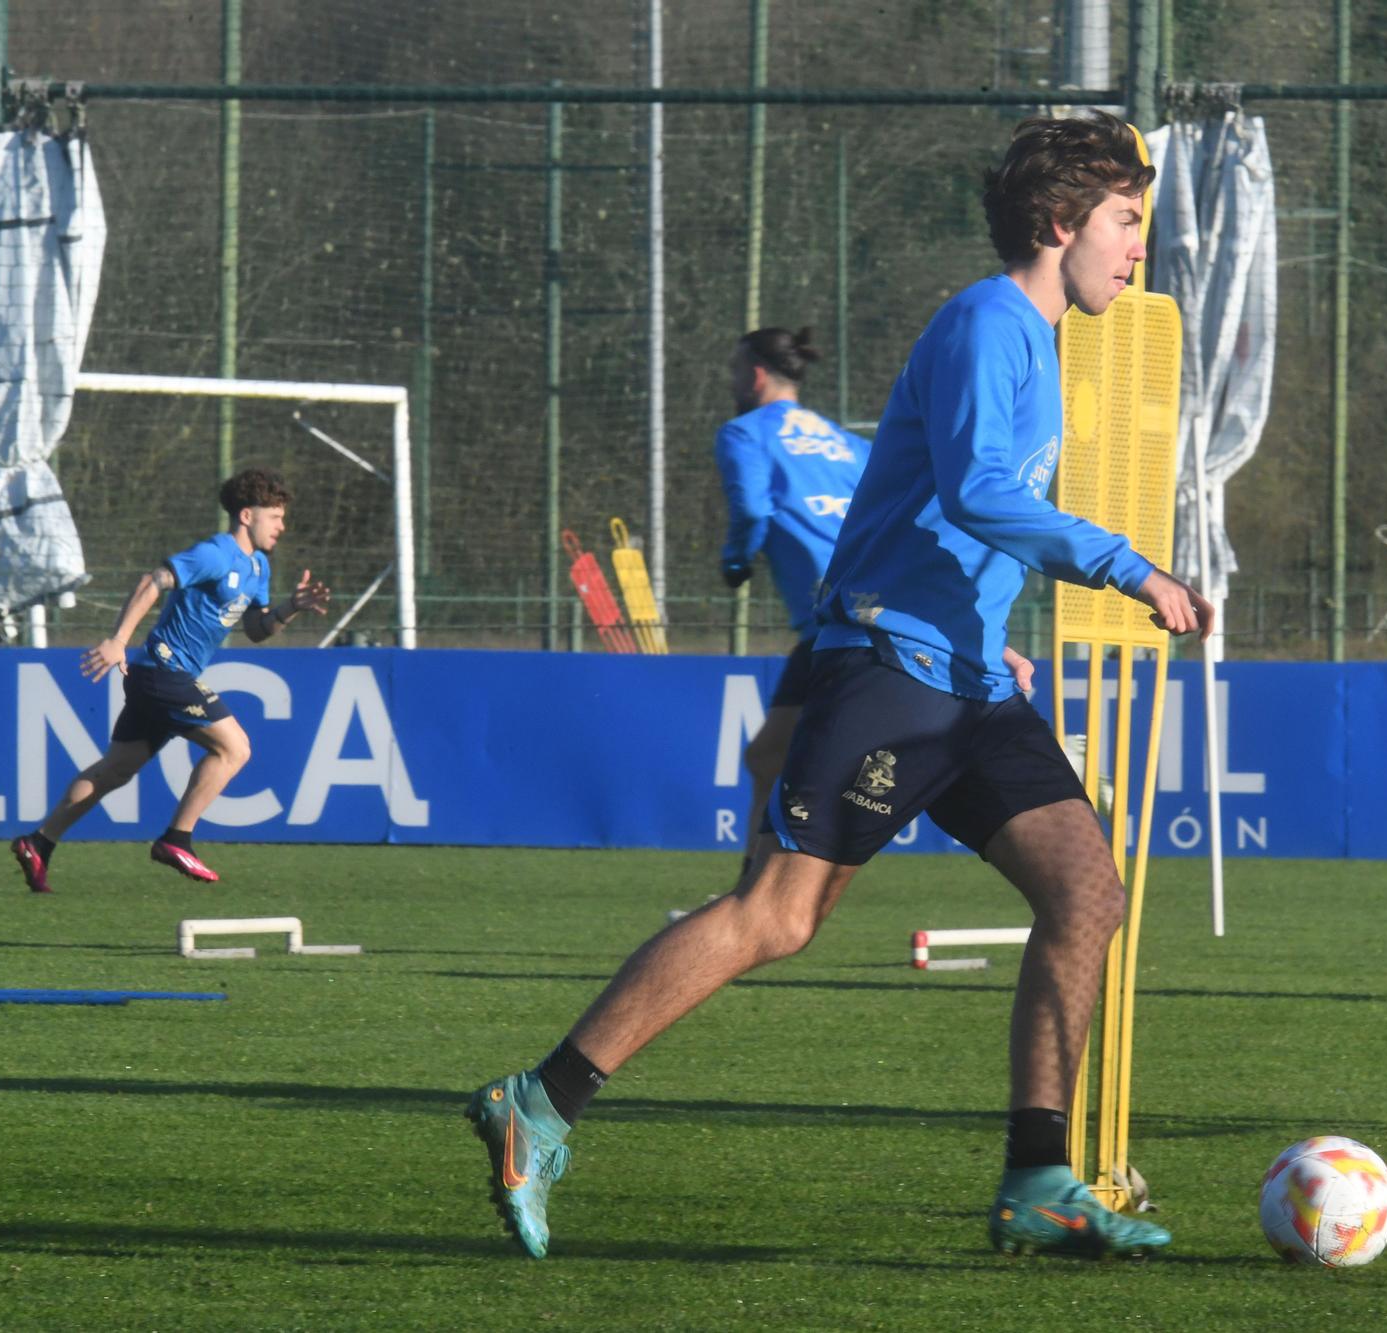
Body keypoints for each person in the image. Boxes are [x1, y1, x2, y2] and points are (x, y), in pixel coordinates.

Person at [466, 111, 1211, 1261]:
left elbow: (960, 517)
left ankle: (1037, 1176)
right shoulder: (986, 322)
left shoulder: (1038, 341)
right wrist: (1127, 566)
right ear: (1059, 222)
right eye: (1124, 222)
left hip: (969, 678)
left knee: (1086, 892)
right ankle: (543, 1099)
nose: (1135, 248)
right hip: (889, 675)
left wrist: (992, 627)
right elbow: (974, 492)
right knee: (777, 915)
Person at [8, 468, 332, 892]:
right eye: (275, 516)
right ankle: (176, 839)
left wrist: (290, 607)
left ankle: (39, 842)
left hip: (160, 678)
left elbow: (256, 628)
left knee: (115, 771)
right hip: (162, 671)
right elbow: (153, 580)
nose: (282, 526)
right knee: (235, 748)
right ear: (248, 515)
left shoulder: (259, 568)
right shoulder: (216, 553)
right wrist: (118, 640)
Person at [716, 327, 869, 880]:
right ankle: (749, 893)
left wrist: (736, 561)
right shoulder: (849, 444)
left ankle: (757, 896)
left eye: (737, 370)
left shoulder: (745, 434)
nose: (734, 382)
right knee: (768, 756)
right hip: (868, 606)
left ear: (756, 375)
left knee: (881, 764)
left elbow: (753, 510)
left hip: (844, 619)